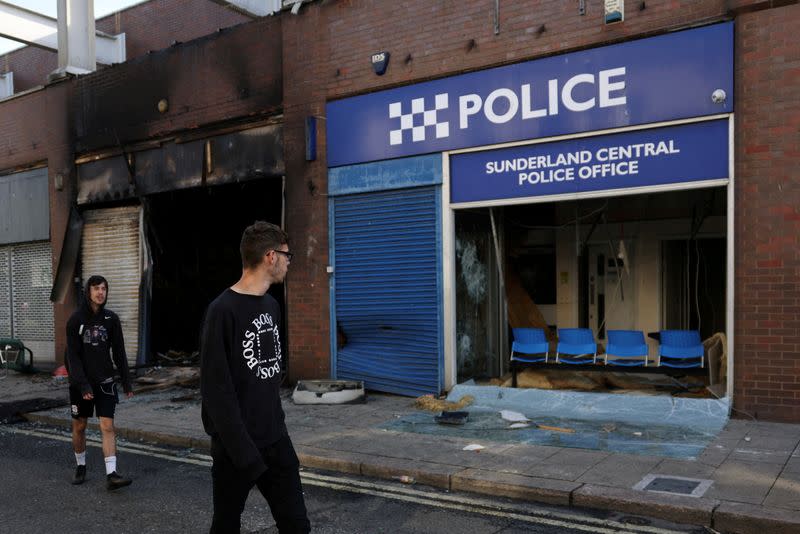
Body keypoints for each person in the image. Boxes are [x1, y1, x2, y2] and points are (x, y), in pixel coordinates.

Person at [200, 221, 310, 534]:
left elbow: (268, 379)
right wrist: (245, 455)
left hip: (275, 441)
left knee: (297, 525)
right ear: (270, 257)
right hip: (237, 449)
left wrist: (279, 432)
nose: (290, 262)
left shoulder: (272, 306)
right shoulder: (221, 311)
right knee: (226, 526)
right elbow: (216, 391)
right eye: (288, 255)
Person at [65, 275, 134, 490]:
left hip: (105, 381)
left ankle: (111, 474)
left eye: (104, 288)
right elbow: (72, 357)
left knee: (107, 426)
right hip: (81, 383)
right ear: (88, 292)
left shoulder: (111, 319)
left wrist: (126, 381)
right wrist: (83, 385)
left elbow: (120, 352)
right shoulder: (76, 320)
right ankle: (81, 466)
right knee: (80, 425)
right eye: (96, 288)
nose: (101, 292)